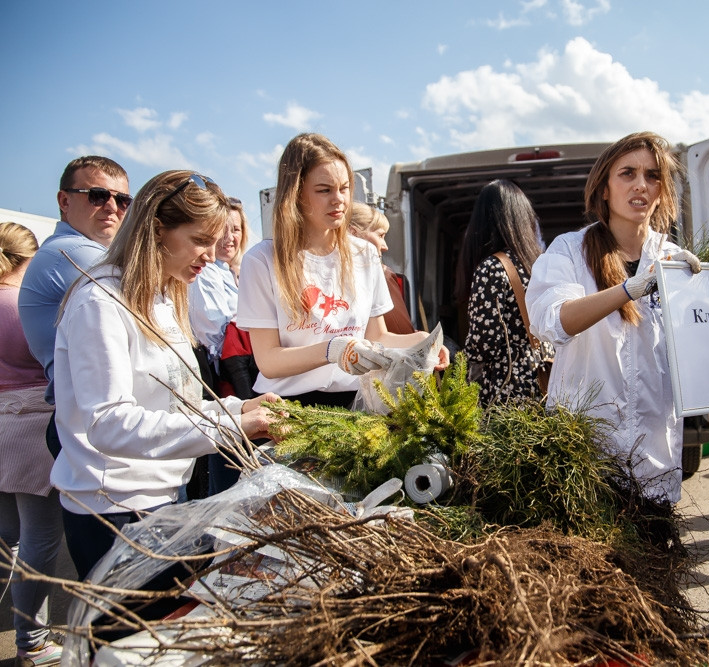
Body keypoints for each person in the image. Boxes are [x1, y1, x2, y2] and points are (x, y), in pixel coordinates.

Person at [526, 131, 709, 503]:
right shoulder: (569, 250)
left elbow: (696, 343)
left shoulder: (676, 259)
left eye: (652, 175)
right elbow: (553, 322)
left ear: (663, 190)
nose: (641, 185)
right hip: (583, 459)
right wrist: (630, 289)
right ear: (604, 189)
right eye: (627, 173)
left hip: (654, 460)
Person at [49, 170, 278, 579]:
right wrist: (232, 428)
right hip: (114, 511)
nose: (210, 255)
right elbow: (109, 424)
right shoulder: (100, 303)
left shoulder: (161, 298)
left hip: (163, 498)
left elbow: (177, 404)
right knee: (124, 638)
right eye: (199, 241)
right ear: (157, 231)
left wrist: (240, 407)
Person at [237, 133, 447, 408]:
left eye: (344, 188)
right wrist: (332, 350)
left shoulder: (364, 253)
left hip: (358, 403)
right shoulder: (262, 260)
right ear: (296, 195)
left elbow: (376, 337)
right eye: (324, 190)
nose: (338, 200)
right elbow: (269, 361)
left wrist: (419, 342)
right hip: (291, 408)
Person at [18, 156, 129, 459]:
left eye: (122, 200)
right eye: (97, 195)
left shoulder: (87, 255)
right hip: (93, 422)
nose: (111, 207)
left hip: (97, 415)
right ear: (64, 201)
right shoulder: (71, 253)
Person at [0, 223, 62, 666]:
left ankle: (25, 632)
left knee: (8, 537)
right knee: (40, 539)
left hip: (2, 426)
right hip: (29, 429)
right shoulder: (20, 305)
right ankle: (32, 642)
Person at [456, 179, 553, 404]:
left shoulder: (492, 267)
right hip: (544, 376)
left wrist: (459, 356)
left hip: (508, 387)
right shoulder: (538, 264)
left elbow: (484, 344)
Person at [188, 196, 252, 495]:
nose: (230, 238)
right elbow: (216, 331)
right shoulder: (203, 275)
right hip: (218, 381)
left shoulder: (228, 272)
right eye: (223, 230)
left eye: (236, 229)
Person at [348, 201, 416, 335]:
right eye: (380, 235)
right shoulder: (382, 274)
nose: (385, 246)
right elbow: (402, 332)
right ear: (354, 233)